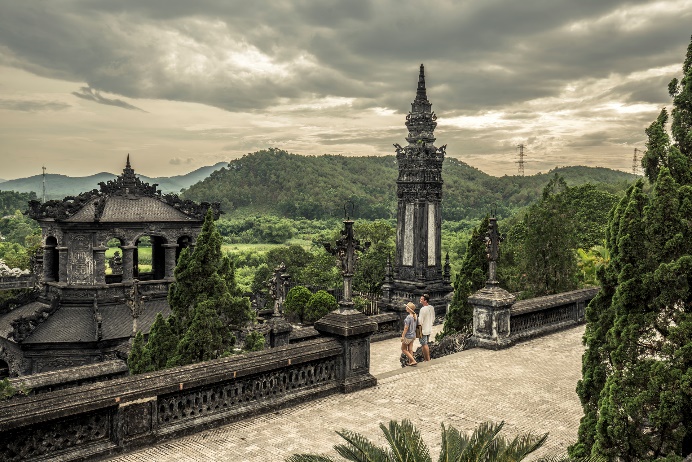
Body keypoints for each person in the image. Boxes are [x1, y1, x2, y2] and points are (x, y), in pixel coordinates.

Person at [418, 293, 435, 362]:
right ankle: (426, 358)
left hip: (422, 329)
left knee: (424, 344)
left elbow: (420, 321)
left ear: (425, 301)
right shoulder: (431, 307)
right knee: (424, 343)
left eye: (421, 299)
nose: (420, 300)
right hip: (429, 328)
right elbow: (433, 318)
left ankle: (427, 359)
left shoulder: (422, 309)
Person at [401, 302, 418, 366]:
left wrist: (403, 336)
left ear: (409, 309)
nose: (406, 308)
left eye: (407, 307)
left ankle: (413, 360)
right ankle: (411, 361)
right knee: (410, 349)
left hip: (408, 336)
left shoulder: (408, 317)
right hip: (413, 335)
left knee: (403, 349)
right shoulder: (415, 316)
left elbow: (406, 328)